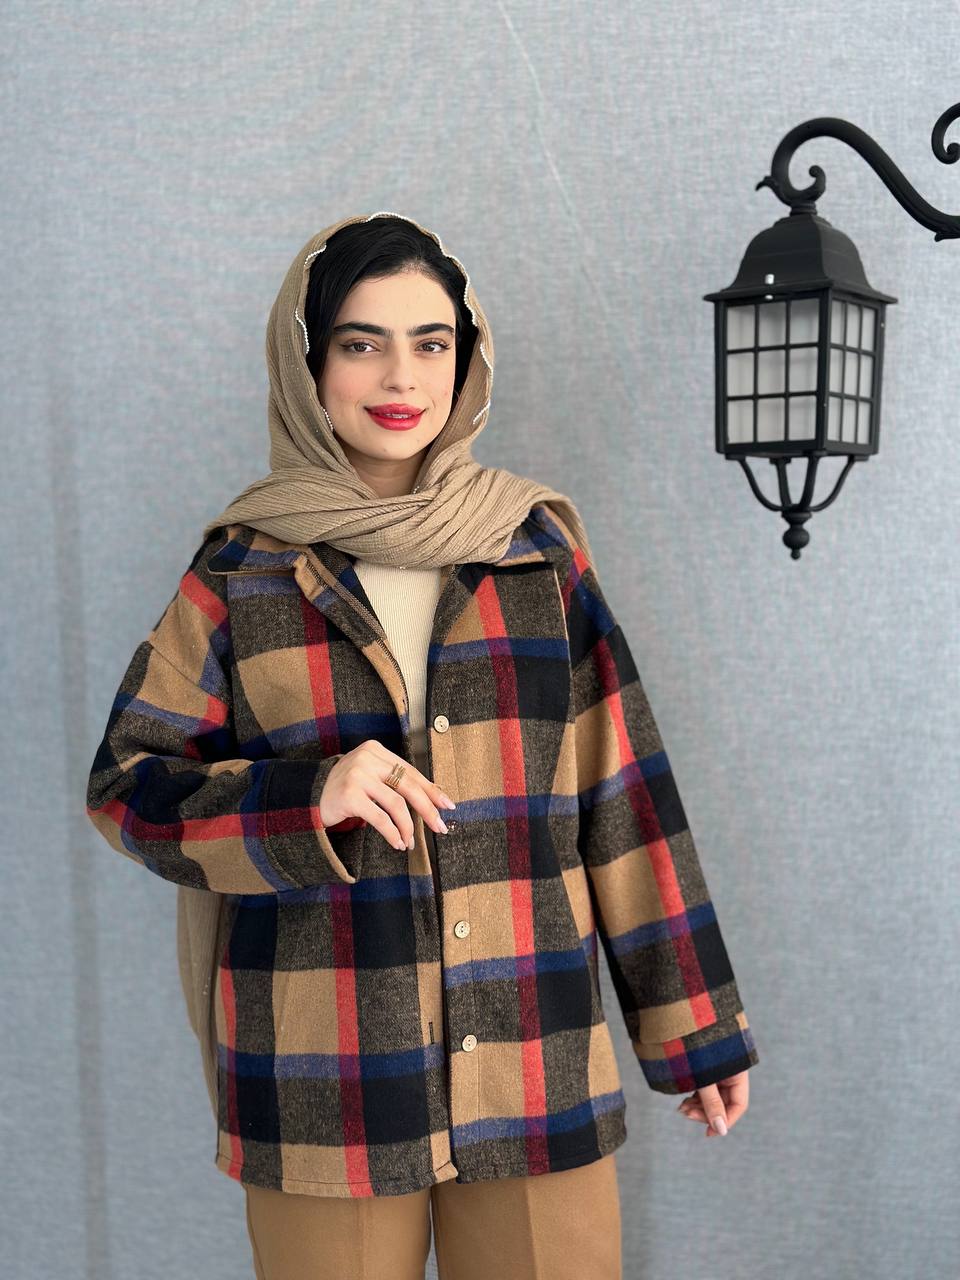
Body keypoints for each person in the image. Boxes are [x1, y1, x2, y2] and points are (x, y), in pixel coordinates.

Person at [85, 212, 759, 1280]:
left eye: (430, 341)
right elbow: (128, 784)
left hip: (535, 1058)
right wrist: (306, 798)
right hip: (325, 1081)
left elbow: (622, 792)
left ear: (465, 358)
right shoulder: (243, 570)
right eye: (362, 342)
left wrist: (694, 1026)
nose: (401, 375)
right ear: (308, 365)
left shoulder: (534, 552)